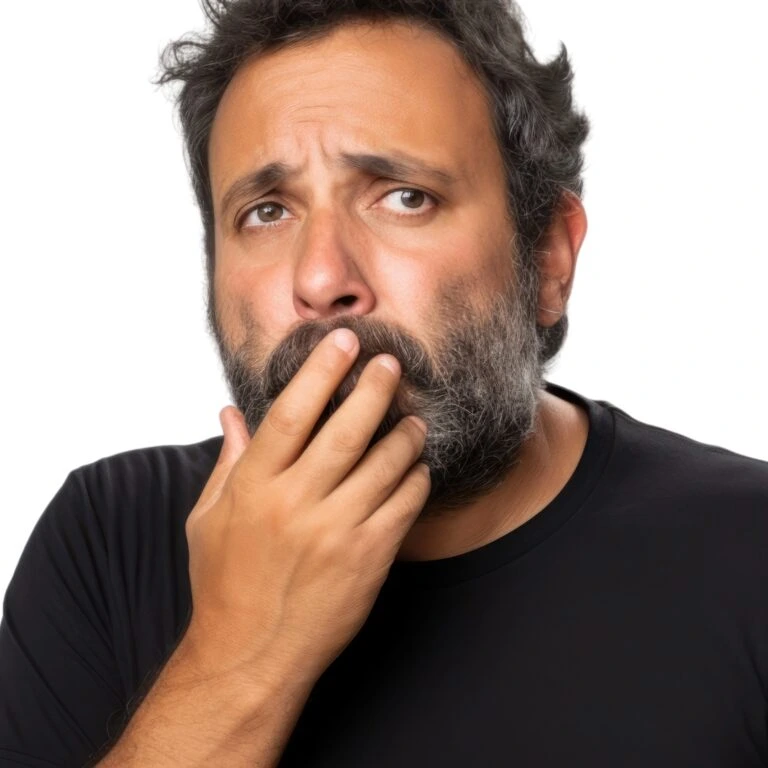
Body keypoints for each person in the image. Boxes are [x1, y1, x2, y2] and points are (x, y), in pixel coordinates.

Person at [1, 0, 766, 766]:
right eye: (267, 211)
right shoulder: (108, 540)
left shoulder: (747, 553)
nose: (321, 279)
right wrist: (237, 659)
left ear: (548, 261)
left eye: (405, 197)